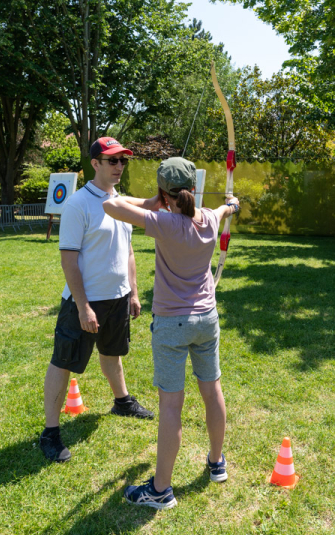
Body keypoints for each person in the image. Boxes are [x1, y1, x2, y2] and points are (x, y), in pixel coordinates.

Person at [102, 157, 240, 509]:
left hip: (171, 324)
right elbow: (225, 210)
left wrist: (151, 204)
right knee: (212, 391)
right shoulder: (209, 217)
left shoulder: (161, 222)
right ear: (193, 187)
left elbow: (109, 203)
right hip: (207, 319)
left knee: (171, 406)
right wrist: (231, 204)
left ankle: (161, 490)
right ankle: (216, 462)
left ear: (165, 193)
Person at [39, 137, 154, 464]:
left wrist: (132, 290)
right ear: (96, 163)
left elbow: (128, 249)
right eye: (112, 160)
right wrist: (83, 305)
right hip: (85, 302)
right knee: (64, 362)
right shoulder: (77, 204)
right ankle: (50, 432)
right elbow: (69, 260)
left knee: (112, 353)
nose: (119, 166)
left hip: (117, 298)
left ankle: (122, 401)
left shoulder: (119, 201)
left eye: (123, 161)